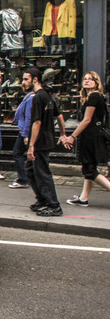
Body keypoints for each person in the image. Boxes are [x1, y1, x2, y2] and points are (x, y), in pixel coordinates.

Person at [62, 71, 110, 206]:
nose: (87, 81)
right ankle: (83, 198)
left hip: (91, 137)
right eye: (85, 79)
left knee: (89, 170)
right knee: (89, 167)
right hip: (94, 136)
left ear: (96, 83)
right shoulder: (96, 96)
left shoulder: (94, 97)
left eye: (91, 79)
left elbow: (87, 120)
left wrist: (72, 136)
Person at [25, 67, 68, 217]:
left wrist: (31, 145)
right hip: (46, 138)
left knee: (42, 173)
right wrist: (62, 133)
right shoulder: (48, 96)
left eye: (26, 79)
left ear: (35, 80)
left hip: (40, 141)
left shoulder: (38, 97)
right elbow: (60, 117)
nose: (23, 83)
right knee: (29, 170)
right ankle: (42, 200)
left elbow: (36, 123)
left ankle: (54, 205)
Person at [9, 72, 35, 188]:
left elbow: (29, 117)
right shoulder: (29, 96)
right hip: (26, 130)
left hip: (26, 131)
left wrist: (25, 134)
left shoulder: (31, 98)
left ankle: (24, 179)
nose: (23, 83)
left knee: (17, 153)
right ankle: (28, 178)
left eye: (26, 80)